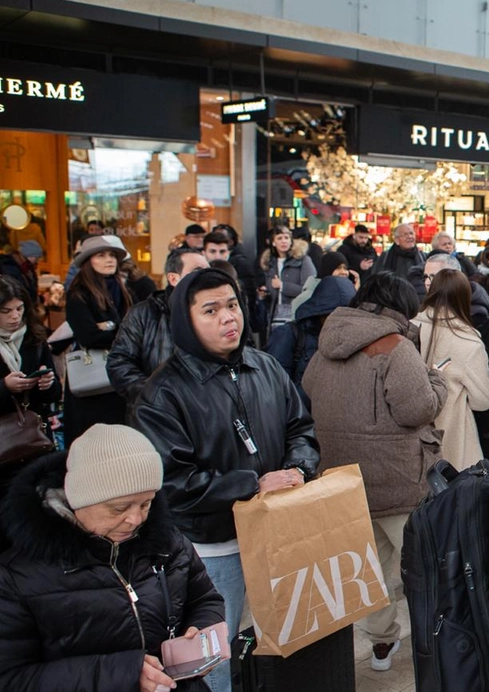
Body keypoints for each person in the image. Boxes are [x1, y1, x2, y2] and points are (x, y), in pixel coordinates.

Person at [132, 268, 320, 692]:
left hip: (278, 531)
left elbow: (301, 429)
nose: (227, 318)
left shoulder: (266, 366)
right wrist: (252, 484)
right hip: (212, 547)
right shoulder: (163, 393)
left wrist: (299, 469)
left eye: (232, 305)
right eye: (211, 310)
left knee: (289, 636)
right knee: (213, 653)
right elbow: (171, 481)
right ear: (187, 320)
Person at [0, 425, 228, 692]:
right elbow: (11, 678)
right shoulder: (18, 575)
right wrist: (125, 674)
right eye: (119, 508)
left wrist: (200, 630)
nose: (136, 519)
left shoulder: (167, 542)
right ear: (77, 499)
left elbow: (204, 598)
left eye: (146, 503)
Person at [302, 273, 446, 671]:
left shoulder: (330, 340)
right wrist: (437, 380)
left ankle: (381, 644)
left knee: (371, 569)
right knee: (423, 566)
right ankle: (437, 644)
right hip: (398, 477)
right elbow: (416, 409)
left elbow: (309, 385)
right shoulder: (395, 346)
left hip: (344, 477)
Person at [414, 269, 489, 471]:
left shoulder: (408, 327)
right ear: (465, 297)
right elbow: (484, 400)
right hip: (452, 441)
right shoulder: (467, 342)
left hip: (411, 439)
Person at [108, 250, 209, 411]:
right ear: (174, 278)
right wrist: (155, 394)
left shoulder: (218, 313)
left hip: (206, 410)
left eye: (208, 269)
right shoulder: (144, 313)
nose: (206, 276)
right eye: (197, 270)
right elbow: (119, 362)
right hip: (156, 414)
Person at [63, 235, 132, 445]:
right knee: (93, 439)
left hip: (118, 375)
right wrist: (120, 331)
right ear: (88, 261)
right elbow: (89, 335)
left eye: (112, 255)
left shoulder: (120, 290)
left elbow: (135, 326)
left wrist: (110, 327)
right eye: (101, 255)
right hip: (91, 376)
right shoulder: (79, 294)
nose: (109, 260)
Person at [0, 276, 59, 501]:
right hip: (3, 440)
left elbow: (53, 394)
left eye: (19, 308)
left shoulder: (34, 337)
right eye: (6, 311)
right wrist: (5, 386)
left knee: (34, 503)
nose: (15, 316)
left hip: (34, 439)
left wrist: (47, 383)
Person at [265, 268, 357, 410]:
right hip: (300, 422)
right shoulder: (288, 335)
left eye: (347, 316)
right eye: (334, 314)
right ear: (320, 312)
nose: (341, 321)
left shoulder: (353, 340)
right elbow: (274, 388)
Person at [257, 225, 316, 330]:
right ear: (273, 242)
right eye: (279, 238)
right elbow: (272, 292)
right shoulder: (269, 263)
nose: (284, 241)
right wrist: (264, 294)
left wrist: (283, 286)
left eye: (286, 238)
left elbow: (310, 289)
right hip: (275, 316)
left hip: (296, 315)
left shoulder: (303, 260)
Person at [424, 253, 489, 327]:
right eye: (425, 277)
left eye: (434, 276)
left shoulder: (475, 313)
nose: (427, 283)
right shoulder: (427, 305)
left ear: (454, 276)